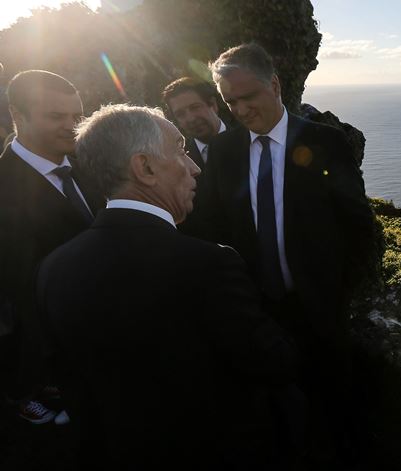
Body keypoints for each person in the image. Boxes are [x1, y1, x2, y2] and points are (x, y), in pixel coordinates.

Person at [36, 104, 300, 470]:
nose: (194, 167)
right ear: (144, 168)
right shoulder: (209, 264)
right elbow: (272, 361)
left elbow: (71, 381)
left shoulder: (54, 268)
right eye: (180, 149)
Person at [190, 42, 378, 462]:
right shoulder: (223, 153)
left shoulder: (327, 142)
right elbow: (212, 229)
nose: (239, 110)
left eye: (248, 96)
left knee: (337, 413)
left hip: (321, 310)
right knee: (277, 418)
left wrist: (338, 293)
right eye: (229, 101)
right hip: (258, 313)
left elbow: (358, 225)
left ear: (274, 85)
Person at [0, 70, 103, 424]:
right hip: (55, 342)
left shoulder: (88, 163)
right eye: (56, 117)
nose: (72, 126)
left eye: (77, 116)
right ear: (18, 116)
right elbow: (18, 288)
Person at [161, 77, 229, 172]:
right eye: (180, 114)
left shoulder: (250, 138)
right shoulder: (180, 159)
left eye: (195, 107)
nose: (190, 119)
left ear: (213, 105)